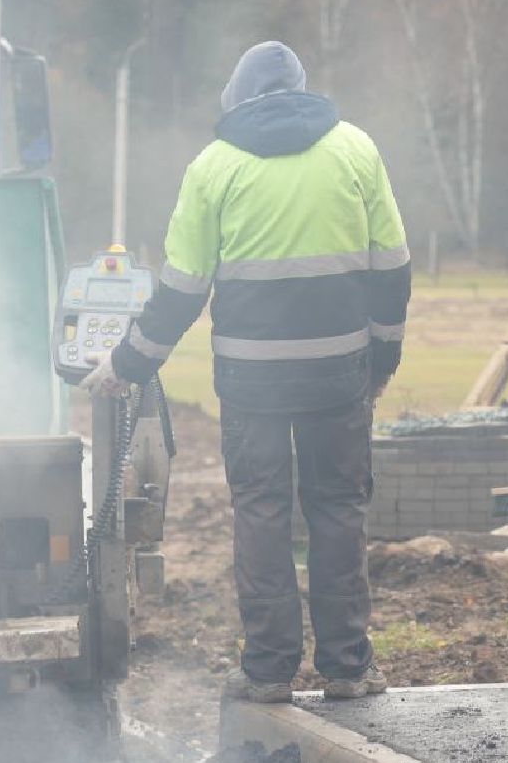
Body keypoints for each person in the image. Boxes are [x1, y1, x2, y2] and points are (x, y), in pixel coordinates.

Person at [84, 41, 410, 704]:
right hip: (338, 373)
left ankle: (267, 671)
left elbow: (180, 288)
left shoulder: (214, 166)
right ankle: (347, 667)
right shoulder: (354, 150)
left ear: (235, 98)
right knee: (337, 510)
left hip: (251, 382)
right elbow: (393, 269)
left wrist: (126, 362)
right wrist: (381, 361)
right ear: (300, 89)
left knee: (260, 512)